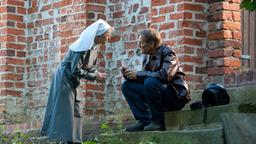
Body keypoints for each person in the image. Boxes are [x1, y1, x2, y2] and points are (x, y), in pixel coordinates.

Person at [41, 19, 113, 143]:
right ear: (98, 36)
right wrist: (94, 76)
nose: (108, 39)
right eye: (106, 36)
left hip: (74, 80)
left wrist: (96, 74)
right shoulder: (80, 48)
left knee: (77, 109)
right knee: (66, 111)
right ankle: (66, 140)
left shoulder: (94, 47)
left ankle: (76, 140)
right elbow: (75, 70)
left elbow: (89, 68)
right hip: (64, 78)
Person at [121, 28, 190, 132]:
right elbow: (144, 78)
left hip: (175, 97)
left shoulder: (168, 53)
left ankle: (158, 122)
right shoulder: (147, 57)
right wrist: (129, 75)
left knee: (150, 82)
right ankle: (145, 120)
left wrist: (139, 74)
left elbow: (164, 76)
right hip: (158, 92)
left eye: (141, 43)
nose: (139, 46)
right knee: (127, 86)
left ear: (152, 43)